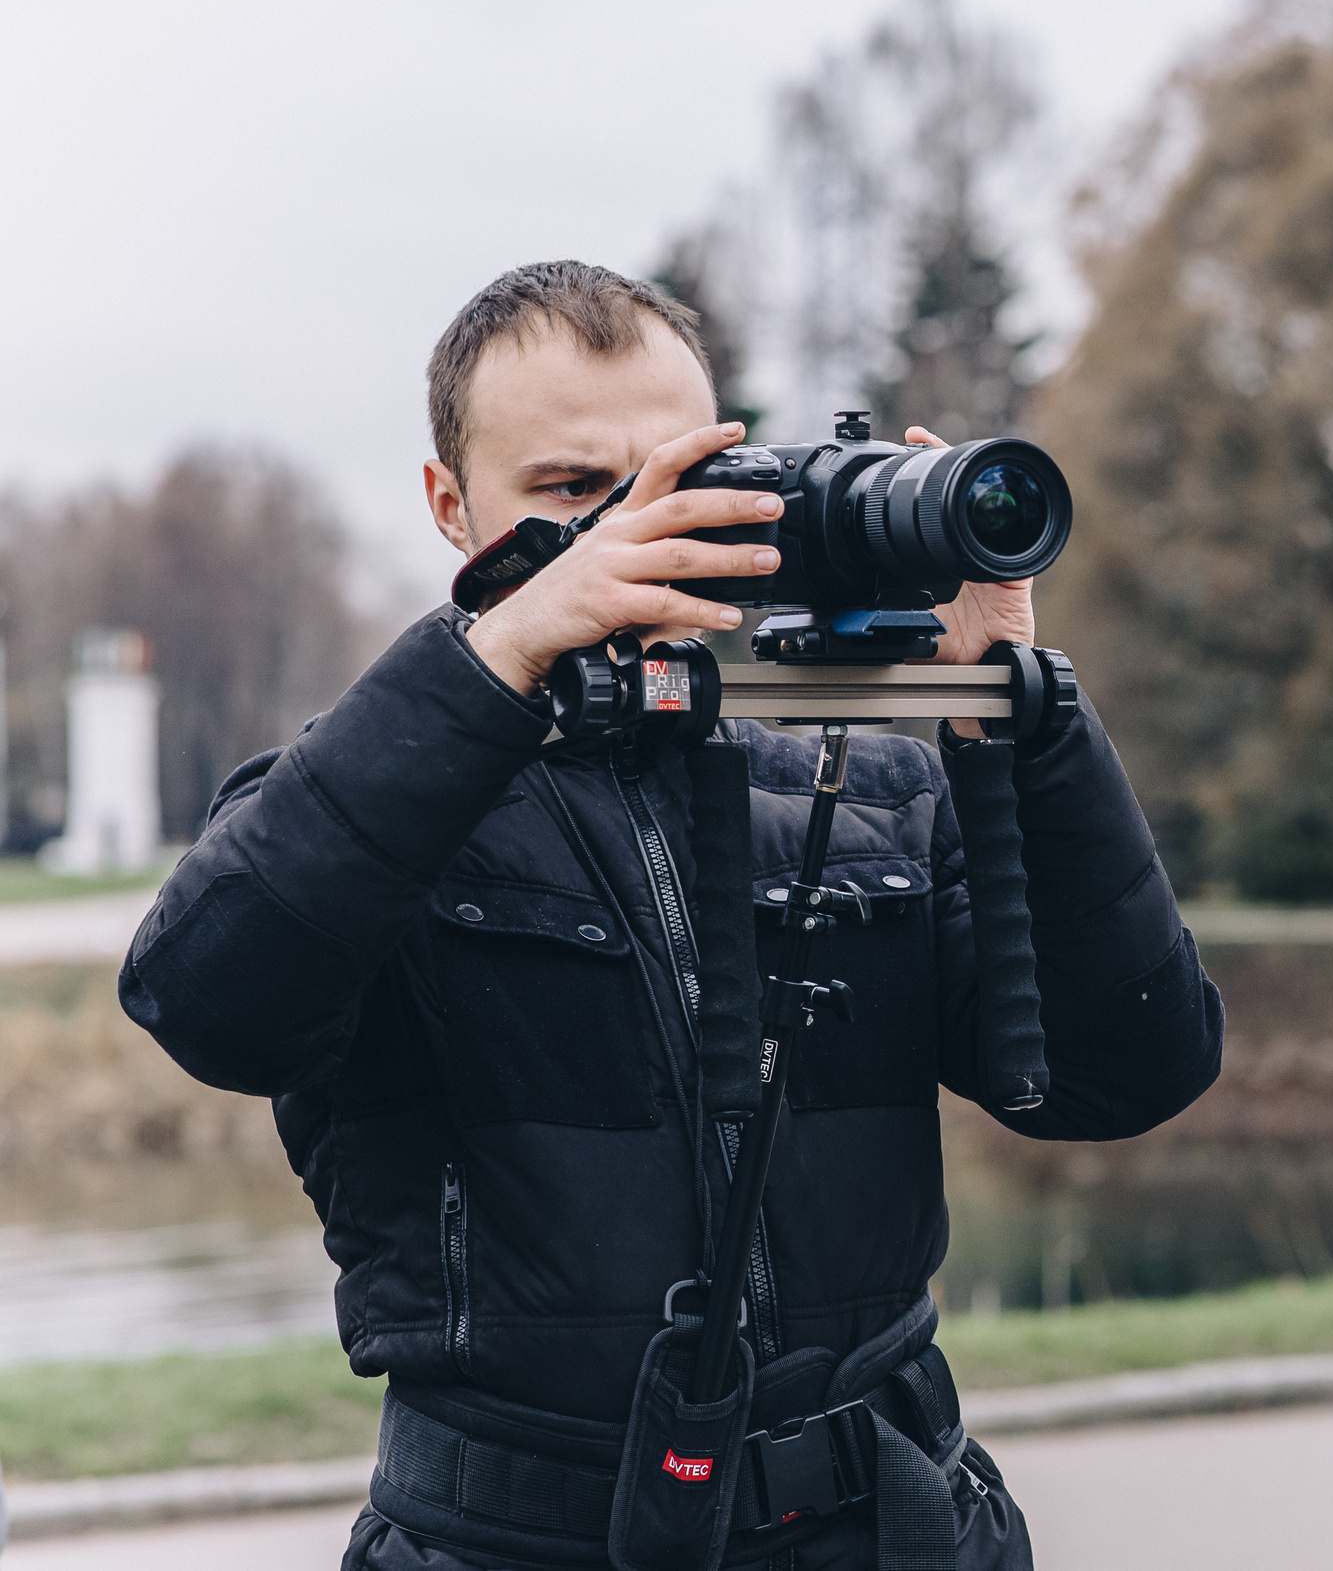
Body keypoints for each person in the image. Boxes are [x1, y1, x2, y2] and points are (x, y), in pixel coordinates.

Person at [119, 261, 1222, 1570]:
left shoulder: (868, 777)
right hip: (520, 1540)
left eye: (677, 481)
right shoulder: (374, 799)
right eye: (578, 492)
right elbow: (206, 1000)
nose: (643, 528)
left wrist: (1027, 711)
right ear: (449, 505)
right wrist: (504, 665)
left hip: (893, 1526)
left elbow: (1130, 1069)